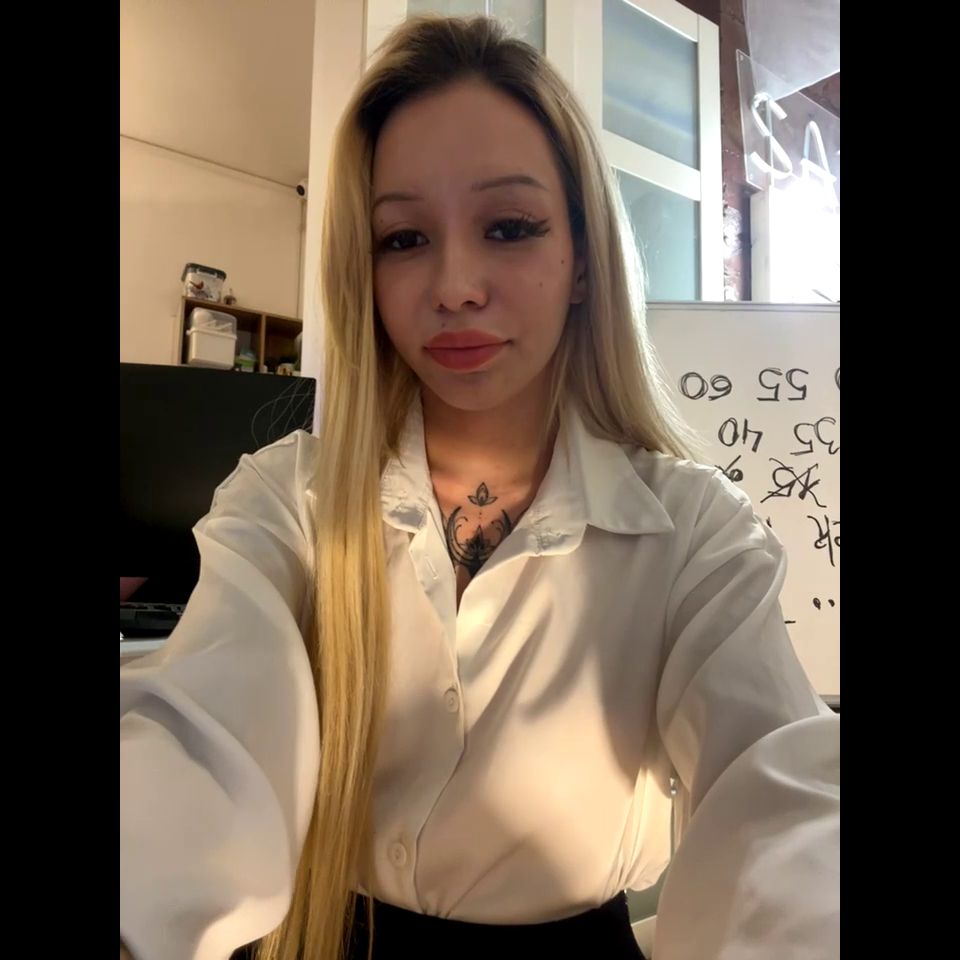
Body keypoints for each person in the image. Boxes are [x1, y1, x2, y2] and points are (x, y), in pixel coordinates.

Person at [120, 15, 839, 960]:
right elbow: (199, 741)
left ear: (582, 260)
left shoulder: (692, 532)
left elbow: (780, 798)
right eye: (404, 238)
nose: (455, 285)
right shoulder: (288, 501)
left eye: (508, 227)